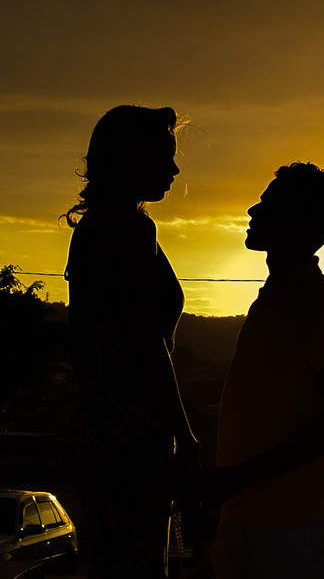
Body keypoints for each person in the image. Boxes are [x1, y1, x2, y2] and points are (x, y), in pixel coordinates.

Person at [61, 105, 200, 579]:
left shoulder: (97, 229)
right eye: (166, 155)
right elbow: (146, 343)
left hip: (100, 426)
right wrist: (186, 437)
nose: (175, 169)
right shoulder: (129, 229)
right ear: (131, 158)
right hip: (129, 433)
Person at [210, 162, 324, 579]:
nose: (253, 211)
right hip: (246, 514)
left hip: (290, 522)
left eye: (268, 204)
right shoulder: (275, 298)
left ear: (295, 221)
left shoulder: (321, 304)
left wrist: (237, 478)